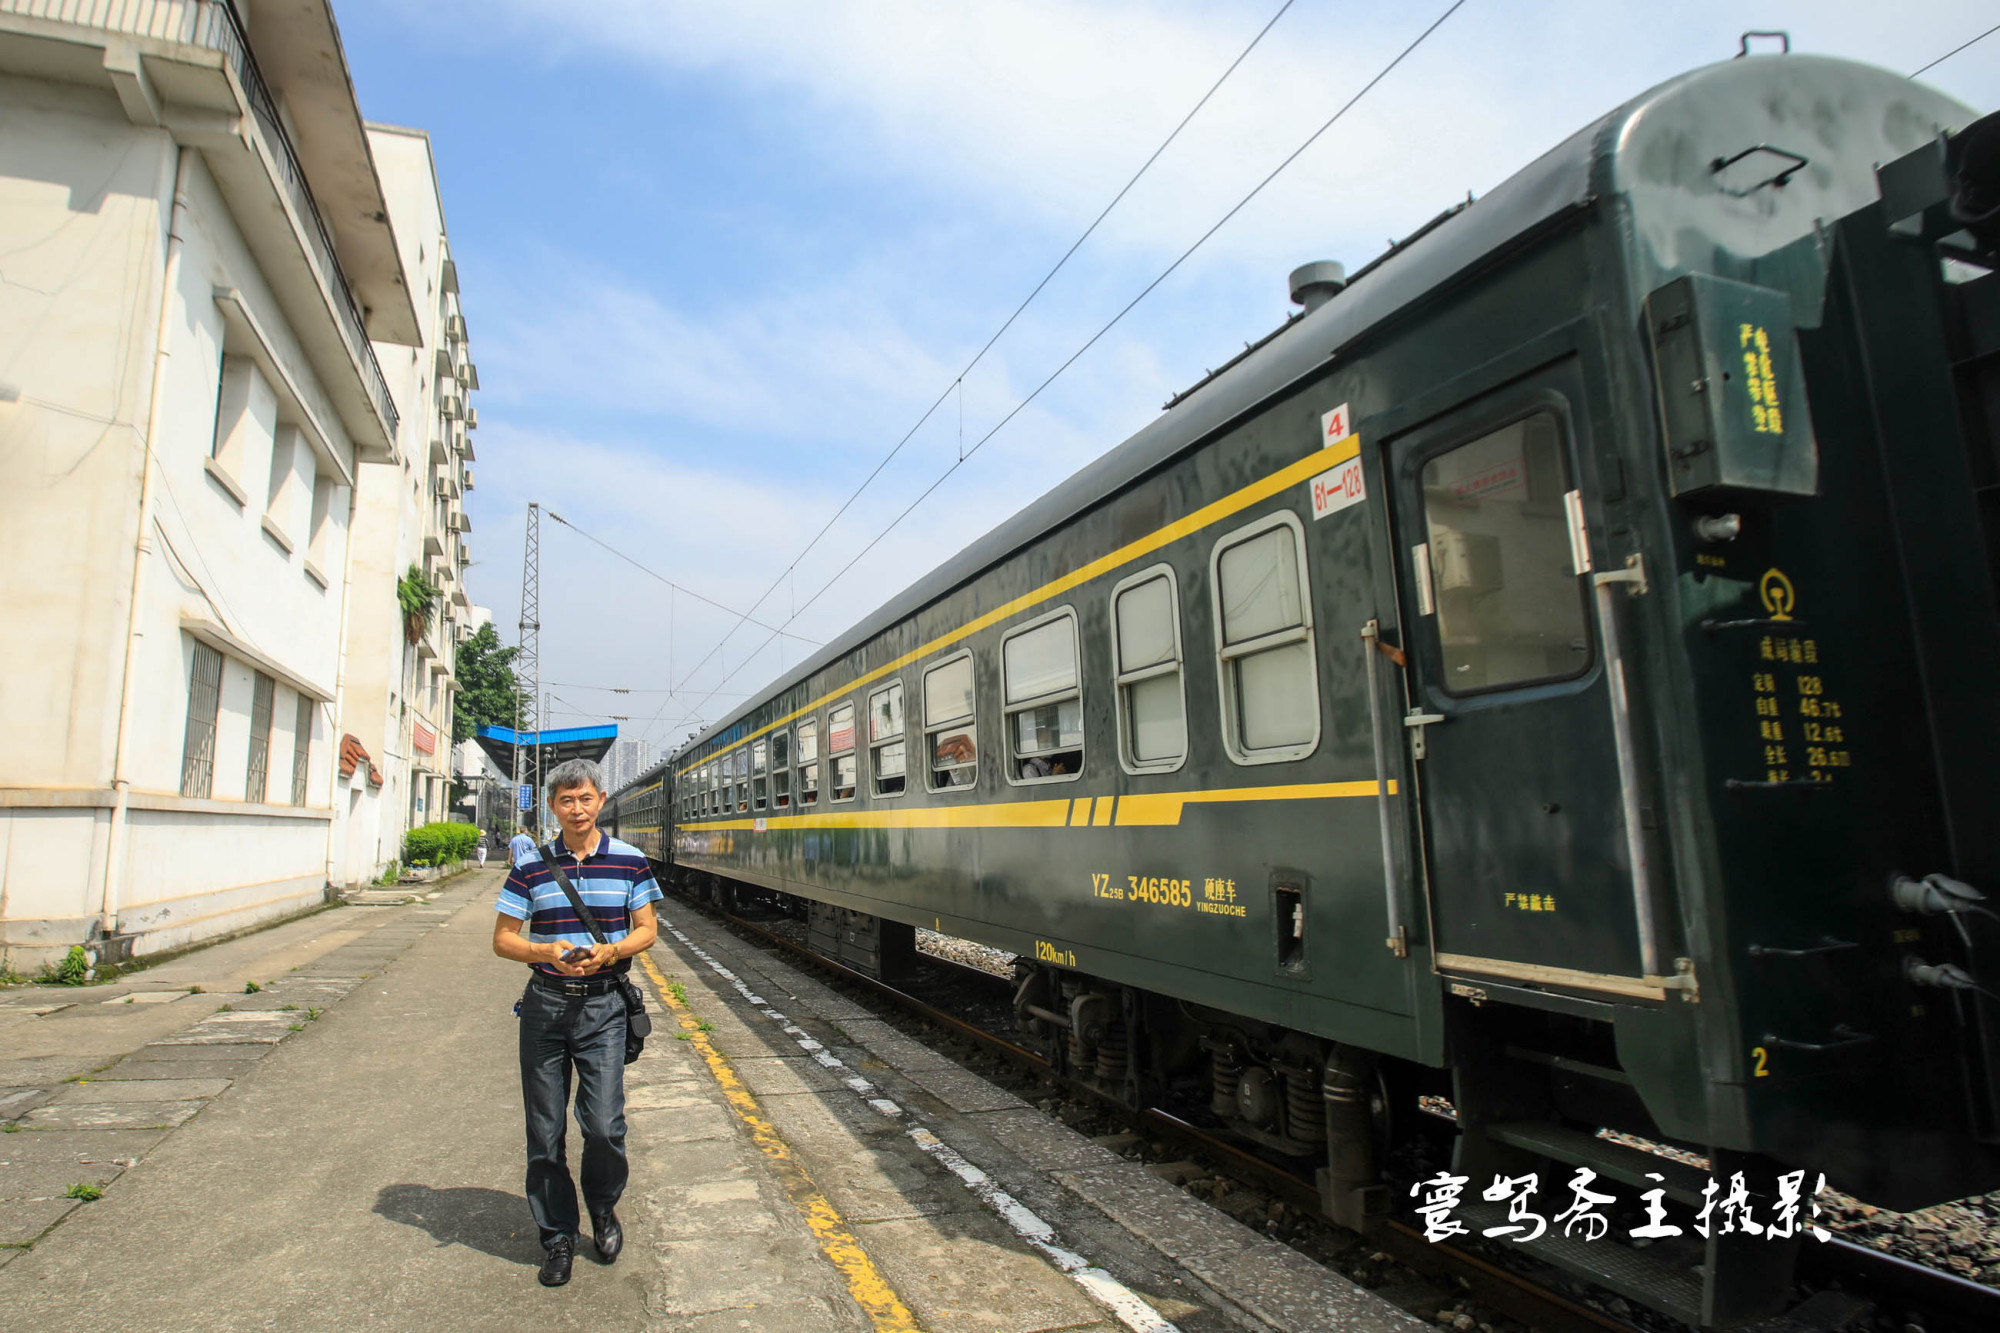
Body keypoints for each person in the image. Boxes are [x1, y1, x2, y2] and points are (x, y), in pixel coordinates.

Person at [492, 759, 661, 1288]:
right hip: (544, 1006)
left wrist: (610, 952)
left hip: (603, 1009)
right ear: (552, 806)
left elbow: (647, 930)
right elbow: (503, 939)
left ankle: (604, 1209)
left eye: (585, 798)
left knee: (605, 1126)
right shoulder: (530, 867)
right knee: (545, 1132)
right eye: (566, 800)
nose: (577, 808)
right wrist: (545, 948)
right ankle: (557, 1235)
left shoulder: (631, 862)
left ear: (600, 799)